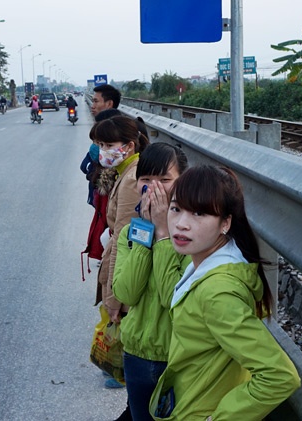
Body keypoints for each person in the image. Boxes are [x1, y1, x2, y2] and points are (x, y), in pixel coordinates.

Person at [149, 165, 301, 420]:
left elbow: (280, 376)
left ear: (225, 223)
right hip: (194, 396)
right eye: (176, 209)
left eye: (199, 213)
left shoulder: (217, 293)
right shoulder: (208, 261)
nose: (181, 224)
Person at [112, 143, 190, 421]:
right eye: (146, 180)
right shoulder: (129, 234)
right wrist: (147, 233)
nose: (155, 189)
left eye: (165, 180)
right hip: (137, 355)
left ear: (183, 182)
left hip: (179, 357)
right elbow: (127, 293)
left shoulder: (192, 237)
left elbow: (174, 297)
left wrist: (164, 236)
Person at [92, 115, 149, 408]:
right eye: (100, 144)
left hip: (124, 275)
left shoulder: (131, 179)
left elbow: (124, 242)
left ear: (128, 146)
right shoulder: (128, 171)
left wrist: (114, 300)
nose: (103, 151)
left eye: (108, 144)